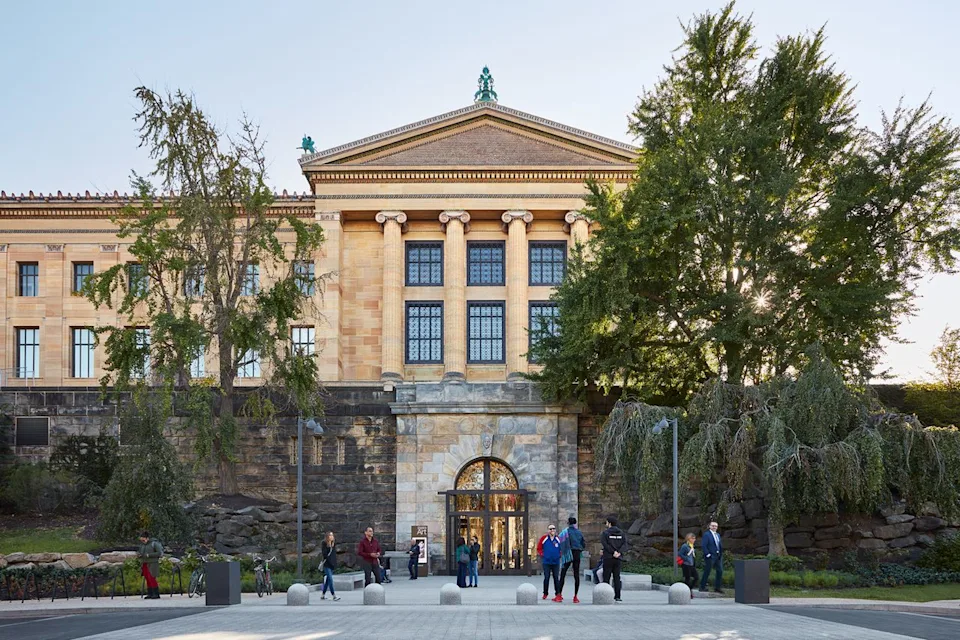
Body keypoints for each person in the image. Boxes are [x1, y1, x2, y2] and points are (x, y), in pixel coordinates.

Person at [600, 515, 628, 602]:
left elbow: (605, 545)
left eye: (607, 522)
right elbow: (625, 544)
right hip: (618, 558)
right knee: (617, 577)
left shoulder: (605, 533)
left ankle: (605, 595)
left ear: (609, 523)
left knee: (606, 577)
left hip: (608, 557)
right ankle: (617, 596)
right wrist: (618, 552)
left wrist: (613, 552)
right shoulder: (621, 533)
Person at [558, 516, 586, 603]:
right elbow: (583, 544)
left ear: (568, 523)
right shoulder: (579, 532)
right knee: (576, 574)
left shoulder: (565, 532)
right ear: (575, 523)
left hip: (568, 553)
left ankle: (559, 595)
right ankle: (575, 596)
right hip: (577, 553)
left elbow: (560, 542)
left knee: (563, 573)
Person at [137, 530, 163, 600]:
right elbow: (140, 552)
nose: (142, 541)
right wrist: (139, 555)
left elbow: (159, 553)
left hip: (153, 563)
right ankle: (150, 593)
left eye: (143, 539)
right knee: (147, 578)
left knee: (152, 577)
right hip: (144, 563)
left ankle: (156, 593)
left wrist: (149, 555)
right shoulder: (142, 545)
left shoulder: (154, 543)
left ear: (147, 538)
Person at [700, 521, 724, 593]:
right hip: (710, 556)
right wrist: (708, 554)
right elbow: (704, 545)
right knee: (707, 571)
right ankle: (702, 586)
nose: (714, 527)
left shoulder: (718, 535)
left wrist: (720, 553)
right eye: (713, 526)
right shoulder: (707, 535)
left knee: (720, 571)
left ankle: (717, 588)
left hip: (718, 556)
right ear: (709, 526)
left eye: (716, 526)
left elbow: (719, 545)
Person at [540, 524, 562, 601]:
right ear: (548, 530)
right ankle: (545, 593)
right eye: (550, 529)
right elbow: (539, 548)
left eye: (553, 529)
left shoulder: (558, 539)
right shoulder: (544, 538)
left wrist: (559, 555)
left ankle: (558, 594)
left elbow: (562, 548)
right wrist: (543, 554)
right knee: (546, 577)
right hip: (546, 562)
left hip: (556, 562)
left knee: (556, 578)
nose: (552, 530)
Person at [320, 531, 341, 601]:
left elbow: (334, 555)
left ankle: (323, 594)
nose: (332, 537)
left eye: (332, 535)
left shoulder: (333, 544)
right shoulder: (324, 543)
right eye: (330, 535)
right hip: (327, 564)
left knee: (328, 581)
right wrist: (329, 546)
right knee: (330, 579)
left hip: (332, 564)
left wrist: (334, 564)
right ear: (327, 537)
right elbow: (325, 554)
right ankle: (334, 595)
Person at [678, 532, 698, 596]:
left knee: (696, 577)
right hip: (686, 564)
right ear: (688, 539)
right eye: (692, 538)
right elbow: (680, 554)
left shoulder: (692, 546)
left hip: (691, 564)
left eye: (694, 539)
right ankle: (688, 592)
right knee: (687, 578)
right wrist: (686, 558)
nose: (694, 540)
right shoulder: (685, 546)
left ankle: (689, 589)